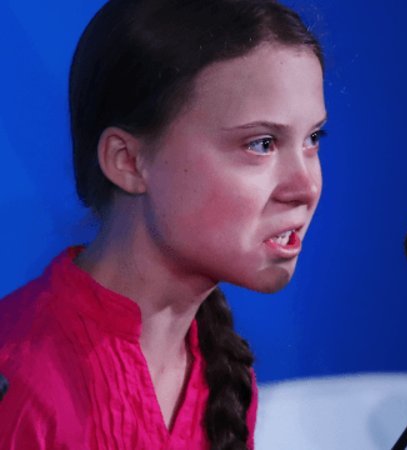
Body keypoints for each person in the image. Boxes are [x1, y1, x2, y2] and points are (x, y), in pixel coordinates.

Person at [0, 0, 326, 448]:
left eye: (313, 139)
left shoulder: (224, 376)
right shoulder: (19, 381)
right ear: (128, 161)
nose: (306, 186)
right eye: (261, 143)